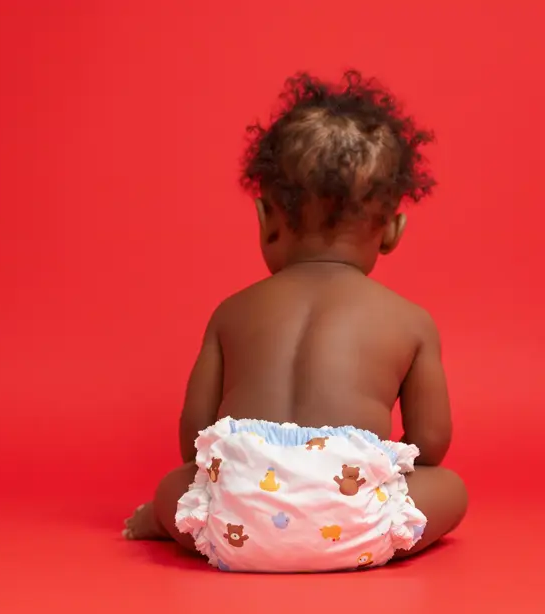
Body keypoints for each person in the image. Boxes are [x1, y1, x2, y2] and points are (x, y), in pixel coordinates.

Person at [123, 70, 467, 572]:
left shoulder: (233, 311)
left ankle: (166, 519)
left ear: (267, 222)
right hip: (354, 523)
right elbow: (430, 444)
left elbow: (193, 439)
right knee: (451, 488)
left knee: (174, 486)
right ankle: (353, 539)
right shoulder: (410, 321)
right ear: (392, 231)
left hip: (236, 525)